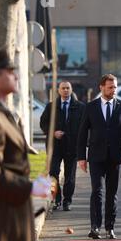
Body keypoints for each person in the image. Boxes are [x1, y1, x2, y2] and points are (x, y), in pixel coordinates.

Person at [0, 47, 52, 241]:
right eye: (10, 71)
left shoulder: (4, 113)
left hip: (14, 207)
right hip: (1, 211)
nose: (16, 76)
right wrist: (30, 186)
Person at [77, 74, 121, 240]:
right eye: (110, 87)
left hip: (116, 157)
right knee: (97, 191)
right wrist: (81, 157)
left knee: (112, 193)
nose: (113, 90)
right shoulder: (91, 107)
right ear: (101, 87)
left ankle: (110, 227)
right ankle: (94, 227)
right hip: (96, 156)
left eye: (115, 87)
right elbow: (82, 133)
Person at [40, 81, 85, 211]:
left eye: (67, 88)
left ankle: (67, 201)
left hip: (72, 146)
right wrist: (53, 132)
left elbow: (85, 127)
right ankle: (57, 199)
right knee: (53, 172)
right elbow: (43, 124)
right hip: (55, 146)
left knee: (70, 176)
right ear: (58, 90)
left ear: (71, 90)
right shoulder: (51, 107)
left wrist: (84, 143)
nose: (65, 90)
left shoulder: (80, 107)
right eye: (63, 88)